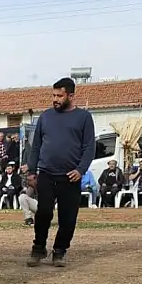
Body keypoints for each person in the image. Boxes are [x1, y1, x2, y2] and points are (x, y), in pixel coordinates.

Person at [25, 77, 95, 267]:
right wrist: (31, 171)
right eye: (53, 95)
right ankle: (38, 248)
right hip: (46, 173)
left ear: (71, 96)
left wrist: (80, 169)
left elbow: (89, 148)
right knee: (43, 213)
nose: (55, 99)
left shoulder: (84, 117)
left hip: (70, 176)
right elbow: (36, 146)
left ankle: (60, 251)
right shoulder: (45, 117)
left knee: (68, 218)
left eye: (59, 96)